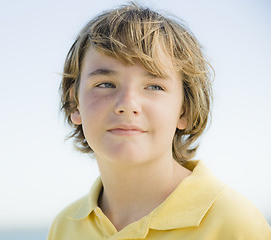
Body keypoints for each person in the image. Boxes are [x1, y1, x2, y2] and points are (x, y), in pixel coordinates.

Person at [47, 3, 271, 239]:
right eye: (105, 84)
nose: (127, 104)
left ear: (184, 111)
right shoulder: (64, 226)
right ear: (74, 103)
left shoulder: (234, 223)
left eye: (154, 86)